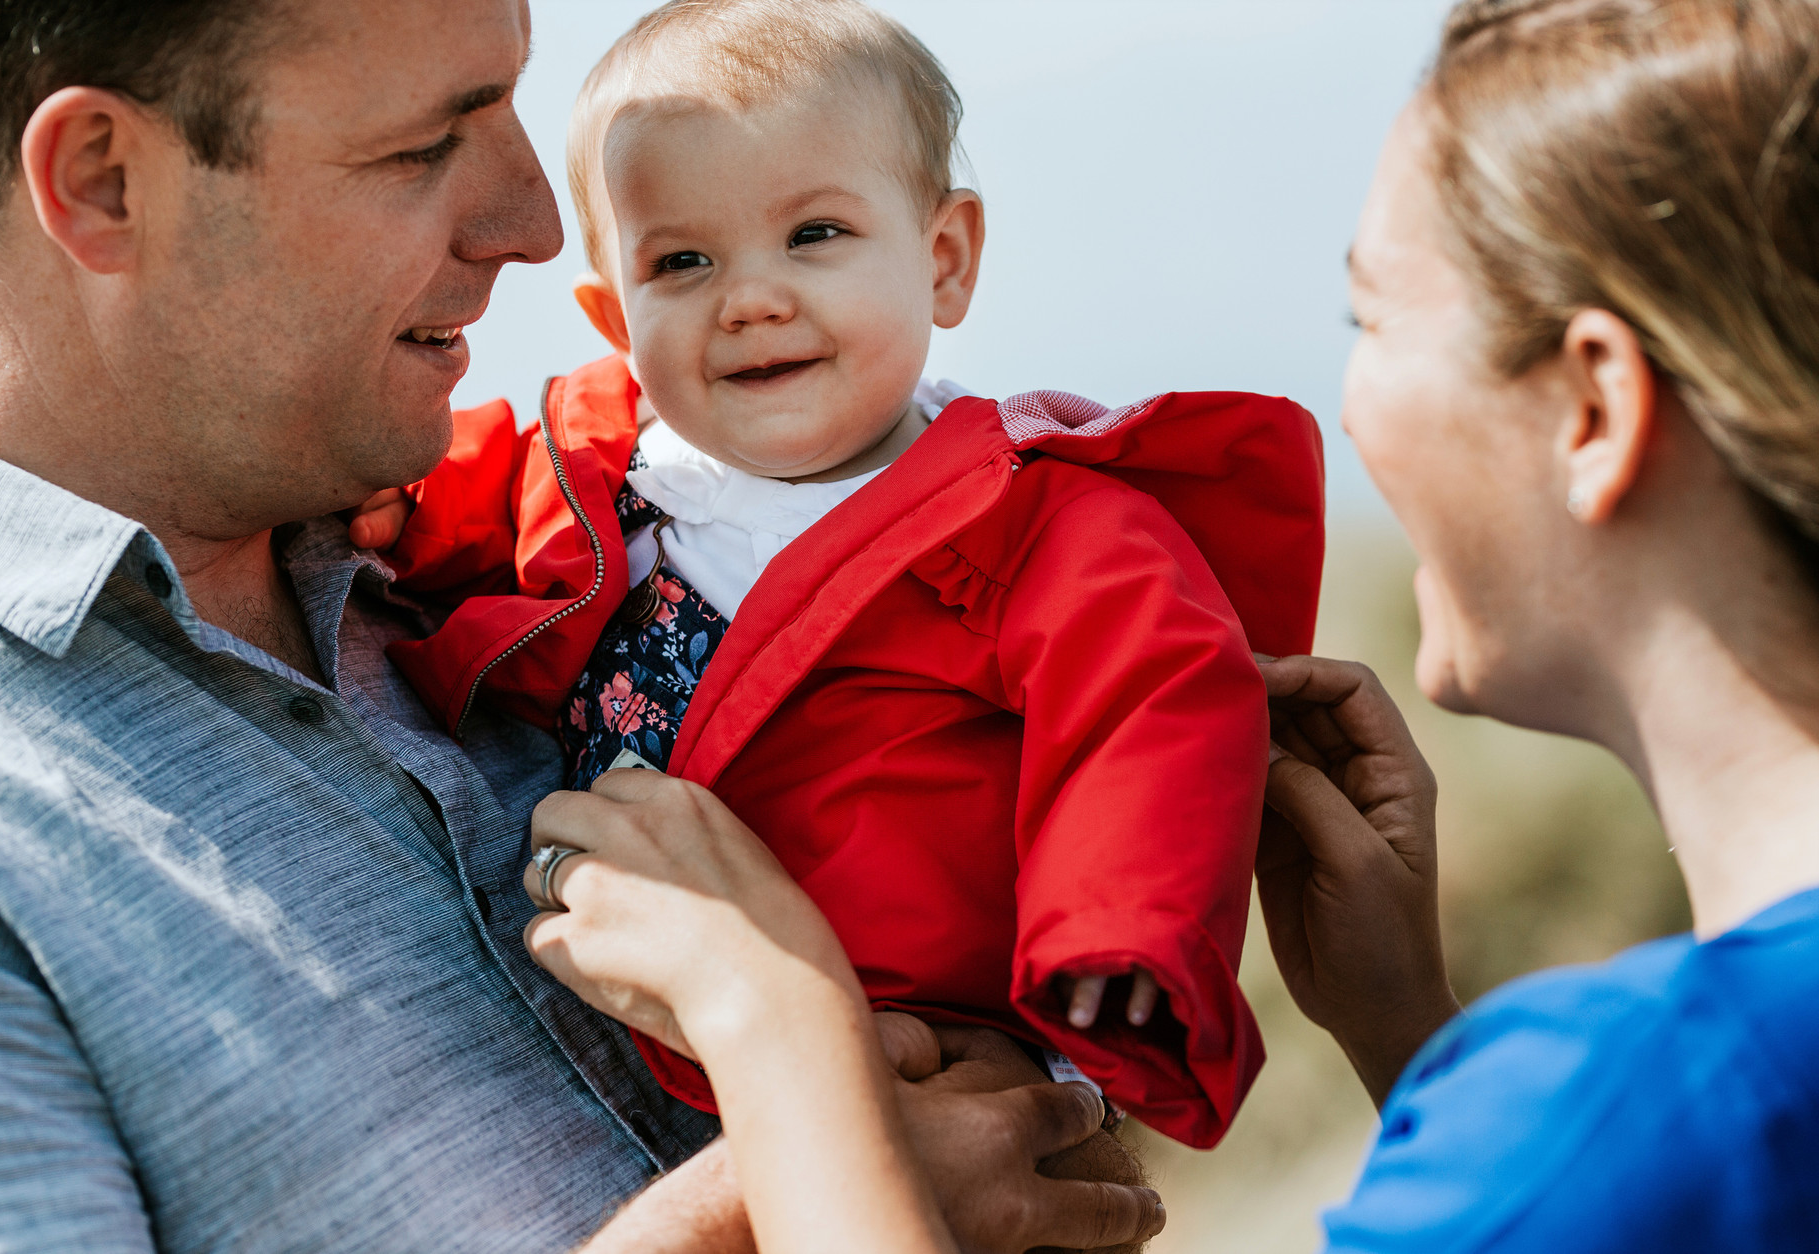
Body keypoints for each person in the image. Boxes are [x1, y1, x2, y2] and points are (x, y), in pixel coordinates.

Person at [520, 0, 1819, 1248]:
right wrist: (1407, 1030)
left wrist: (779, 1024)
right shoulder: (1673, 1104)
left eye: (1371, 317)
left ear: (1594, 405)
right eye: (682, 260)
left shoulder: (1643, 1121)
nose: (1346, 413)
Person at [0, 2, 1168, 1251]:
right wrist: (807, 1154)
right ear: (104, 181)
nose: (530, 223)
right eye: (426, 144)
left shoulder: (533, 533)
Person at [356, 0, 1326, 1149]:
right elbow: (464, 498)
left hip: (903, 1043)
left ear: (943, 258)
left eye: (813, 235)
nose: (752, 295)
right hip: (617, 1032)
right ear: (617, 317)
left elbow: (1155, 710)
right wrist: (385, 501)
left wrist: (1121, 934)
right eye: (682, 260)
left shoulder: (1037, 521)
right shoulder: (597, 469)